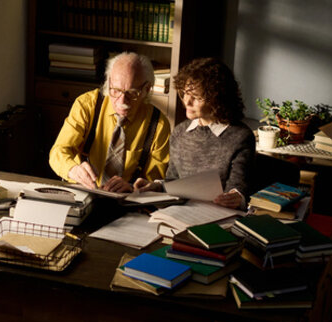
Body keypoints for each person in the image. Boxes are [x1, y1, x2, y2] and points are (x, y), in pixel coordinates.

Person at [134, 57, 254, 209]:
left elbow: (238, 189)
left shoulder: (240, 137)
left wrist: (236, 198)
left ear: (217, 99)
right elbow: (173, 182)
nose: (187, 102)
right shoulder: (180, 132)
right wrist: (157, 186)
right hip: (179, 212)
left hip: (219, 214)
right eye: (184, 93)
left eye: (196, 97)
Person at [48, 52, 171, 193]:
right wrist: (73, 170)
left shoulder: (158, 125)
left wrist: (133, 188)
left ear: (146, 90)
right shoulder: (87, 105)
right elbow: (58, 152)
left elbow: (153, 184)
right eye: (116, 90)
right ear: (109, 82)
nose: (122, 101)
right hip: (83, 191)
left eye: (132, 93)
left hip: (127, 199)